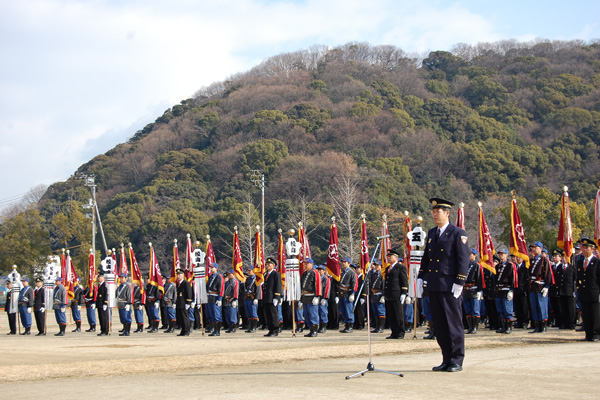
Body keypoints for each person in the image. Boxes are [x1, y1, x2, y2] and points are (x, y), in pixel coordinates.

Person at [418, 197, 469, 372]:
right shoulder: (432, 233)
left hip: (450, 284)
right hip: (434, 284)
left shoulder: (457, 233)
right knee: (439, 324)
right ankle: (446, 358)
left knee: (453, 323)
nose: (434, 214)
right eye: (433, 212)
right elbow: (427, 258)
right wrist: (420, 276)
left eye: (437, 211)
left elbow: (463, 259)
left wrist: (460, 281)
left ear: (447, 213)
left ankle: (456, 359)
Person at [575, 238, 600, 341]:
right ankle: (588, 334)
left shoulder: (597, 262)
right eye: (583, 248)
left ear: (592, 249)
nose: (584, 250)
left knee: (595, 314)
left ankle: (596, 334)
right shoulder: (580, 262)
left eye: (586, 248)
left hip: (594, 292)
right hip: (583, 292)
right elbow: (579, 277)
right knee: (586, 314)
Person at [528, 241, 554, 333]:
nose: (533, 249)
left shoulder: (544, 260)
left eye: (535, 247)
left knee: (541, 306)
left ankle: (543, 325)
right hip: (533, 286)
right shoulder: (531, 260)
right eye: (533, 248)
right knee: (534, 307)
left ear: (540, 249)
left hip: (541, 286)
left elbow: (548, 274)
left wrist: (547, 286)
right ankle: (537, 325)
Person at [384, 249, 409, 339]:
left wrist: (404, 293)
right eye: (388, 257)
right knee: (391, 315)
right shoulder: (388, 268)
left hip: (397, 294)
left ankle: (400, 332)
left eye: (390, 256)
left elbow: (404, 281)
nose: (389, 258)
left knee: (398, 314)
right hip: (389, 294)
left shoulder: (400, 267)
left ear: (396, 257)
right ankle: (394, 332)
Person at [495, 248, 517, 334]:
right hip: (499, 290)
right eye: (500, 254)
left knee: (508, 309)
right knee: (501, 310)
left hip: (506, 289)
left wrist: (511, 290)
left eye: (503, 254)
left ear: (506, 255)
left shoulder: (510, 265)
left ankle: (509, 327)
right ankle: (504, 326)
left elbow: (513, 278)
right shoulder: (497, 266)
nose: (501, 256)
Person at [463, 249, 484, 334]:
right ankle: (470, 327)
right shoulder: (466, 265)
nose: (469, 256)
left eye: (471, 254)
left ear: (475, 255)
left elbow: (479, 278)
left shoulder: (477, 265)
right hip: (466, 289)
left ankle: (475, 327)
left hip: (474, 289)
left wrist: (479, 290)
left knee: (475, 310)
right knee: (468, 310)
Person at [300, 258, 321, 337]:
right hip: (305, 297)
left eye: (307, 264)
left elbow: (318, 285)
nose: (305, 265)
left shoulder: (315, 273)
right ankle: (311, 330)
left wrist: (317, 296)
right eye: (304, 264)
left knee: (313, 314)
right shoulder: (304, 274)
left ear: (311, 264)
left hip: (312, 296)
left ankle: (315, 330)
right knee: (307, 315)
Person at [556, 250, 576, 329]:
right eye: (563, 257)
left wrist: (574, 290)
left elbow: (575, 279)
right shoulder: (559, 267)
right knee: (563, 307)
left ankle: (572, 323)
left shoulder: (572, 268)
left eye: (565, 257)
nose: (564, 259)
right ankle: (565, 323)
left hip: (570, 291)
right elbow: (558, 280)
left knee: (571, 308)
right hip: (562, 290)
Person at [262, 257, 282, 337]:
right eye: (266, 264)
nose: (267, 266)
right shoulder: (266, 274)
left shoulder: (275, 274)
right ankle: (270, 330)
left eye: (269, 264)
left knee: (273, 314)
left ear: (273, 265)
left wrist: (276, 297)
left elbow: (278, 286)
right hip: (267, 297)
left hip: (272, 297)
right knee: (268, 315)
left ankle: (275, 330)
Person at [338, 257, 357, 333]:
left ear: (349, 263)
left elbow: (354, 284)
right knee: (343, 310)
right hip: (342, 293)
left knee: (349, 310)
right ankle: (346, 325)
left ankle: (350, 326)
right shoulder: (343, 272)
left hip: (348, 293)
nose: (343, 263)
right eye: (343, 262)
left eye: (345, 262)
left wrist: (353, 293)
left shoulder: (351, 272)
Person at [206, 263, 224, 336]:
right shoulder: (210, 277)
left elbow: (221, 288)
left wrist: (220, 298)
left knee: (217, 315)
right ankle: (214, 329)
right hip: (210, 297)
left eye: (213, 267)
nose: (211, 268)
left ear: (216, 268)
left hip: (215, 297)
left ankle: (217, 331)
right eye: (211, 267)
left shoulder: (219, 277)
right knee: (212, 315)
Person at [369, 261, 386, 333]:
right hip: (374, 295)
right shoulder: (373, 275)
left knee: (381, 312)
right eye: (376, 265)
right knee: (375, 312)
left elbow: (384, 286)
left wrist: (383, 296)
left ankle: (381, 327)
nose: (376, 267)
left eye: (378, 265)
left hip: (379, 294)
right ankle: (377, 327)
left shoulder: (382, 275)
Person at [176, 269, 194, 336]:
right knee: (181, 318)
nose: (178, 276)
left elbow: (189, 293)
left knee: (185, 317)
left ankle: (186, 331)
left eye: (179, 274)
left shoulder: (186, 283)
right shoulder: (178, 283)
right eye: (177, 275)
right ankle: (183, 330)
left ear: (183, 275)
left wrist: (188, 302)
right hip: (179, 303)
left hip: (184, 303)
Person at [223, 269, 239, 333]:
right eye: (228, 274)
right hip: (227, 300)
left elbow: (235, 291)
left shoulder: (235, 281)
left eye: (230, 274)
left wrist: (235, 299)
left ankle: (233, 327)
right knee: (228, 315)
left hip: (232, 300)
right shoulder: (227, 282)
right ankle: (230, 327)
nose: (229, 275)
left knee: (232, 315)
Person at [243, 268, 259, 333]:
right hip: (247, 297)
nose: (249, 272)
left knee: (253, 313)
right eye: (248, 270)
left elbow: (258, 289)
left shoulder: (256, 279)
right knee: (248, 313)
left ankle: (254, 327)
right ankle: (250, 327)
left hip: (253, 297)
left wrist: (256, 298)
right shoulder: (248, 279)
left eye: (250, 270)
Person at [316, 264, 331, 333]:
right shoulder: (317, 278)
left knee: (323, 312)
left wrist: (325, 298)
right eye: (318, 270)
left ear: (324, 271)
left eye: (320, 270)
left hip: (322, 298)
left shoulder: (325, 278)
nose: (319, 271)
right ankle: (320, 326)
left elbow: (327, 289)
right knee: (318, 312)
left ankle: (324, 326)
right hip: (318, 298)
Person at [353, 264, 368, 330]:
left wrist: (363, 296)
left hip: (361, 296)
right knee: (355, 311)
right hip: (356, 296)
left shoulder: (363, 277)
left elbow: (365, 287)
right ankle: (356, 323)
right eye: (356, 268)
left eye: (358, 268)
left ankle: (361, 324)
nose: (357, 270)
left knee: (360, 311)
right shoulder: (356, 276)